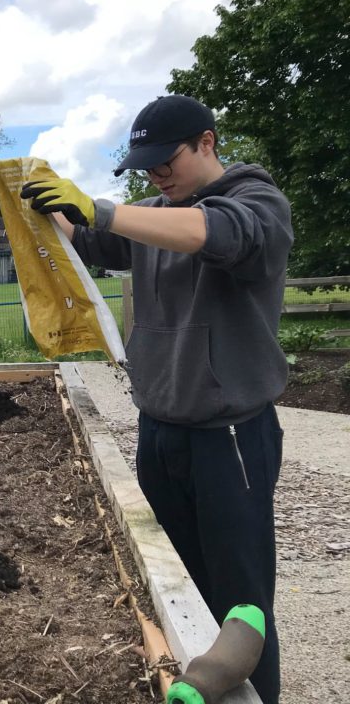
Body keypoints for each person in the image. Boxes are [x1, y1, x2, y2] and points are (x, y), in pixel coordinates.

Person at [17, 94, 291, 704]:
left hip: (230, 437)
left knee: (241, 604)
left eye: (167, 160)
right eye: (146, 166)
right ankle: (193, 691)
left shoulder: (257, 203)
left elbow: (211, 232)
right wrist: (32, 202)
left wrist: (105, 211)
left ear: (207, 142)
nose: (156, 175)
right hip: (160, 431)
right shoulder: (153, 213)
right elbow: (85, 237)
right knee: (179, 593)